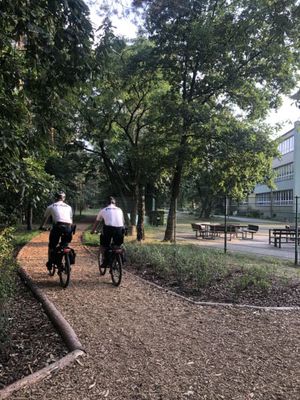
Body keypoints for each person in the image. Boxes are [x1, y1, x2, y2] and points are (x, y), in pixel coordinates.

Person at [39, 191, 73, 270]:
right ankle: (67, 263)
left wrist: (42, 227)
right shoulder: (69, 207)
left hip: (58, 226)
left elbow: (45, 219)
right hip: (68, 227)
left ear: (55, 198)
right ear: (63, 198)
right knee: (65, 245)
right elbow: (71, 220)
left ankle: (50, 263)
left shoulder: (51, 206)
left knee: (52, 245)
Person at [91, 196, 125, 265]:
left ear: (106, 203)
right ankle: (121, 259)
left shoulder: (103, 210)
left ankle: (105, 261)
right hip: (120, 229)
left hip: (108, 230)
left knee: (104, 245)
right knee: (118, 245)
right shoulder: (120, 210)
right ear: (115, 203)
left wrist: (92, 231)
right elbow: (123, 222)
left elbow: (96, 223)